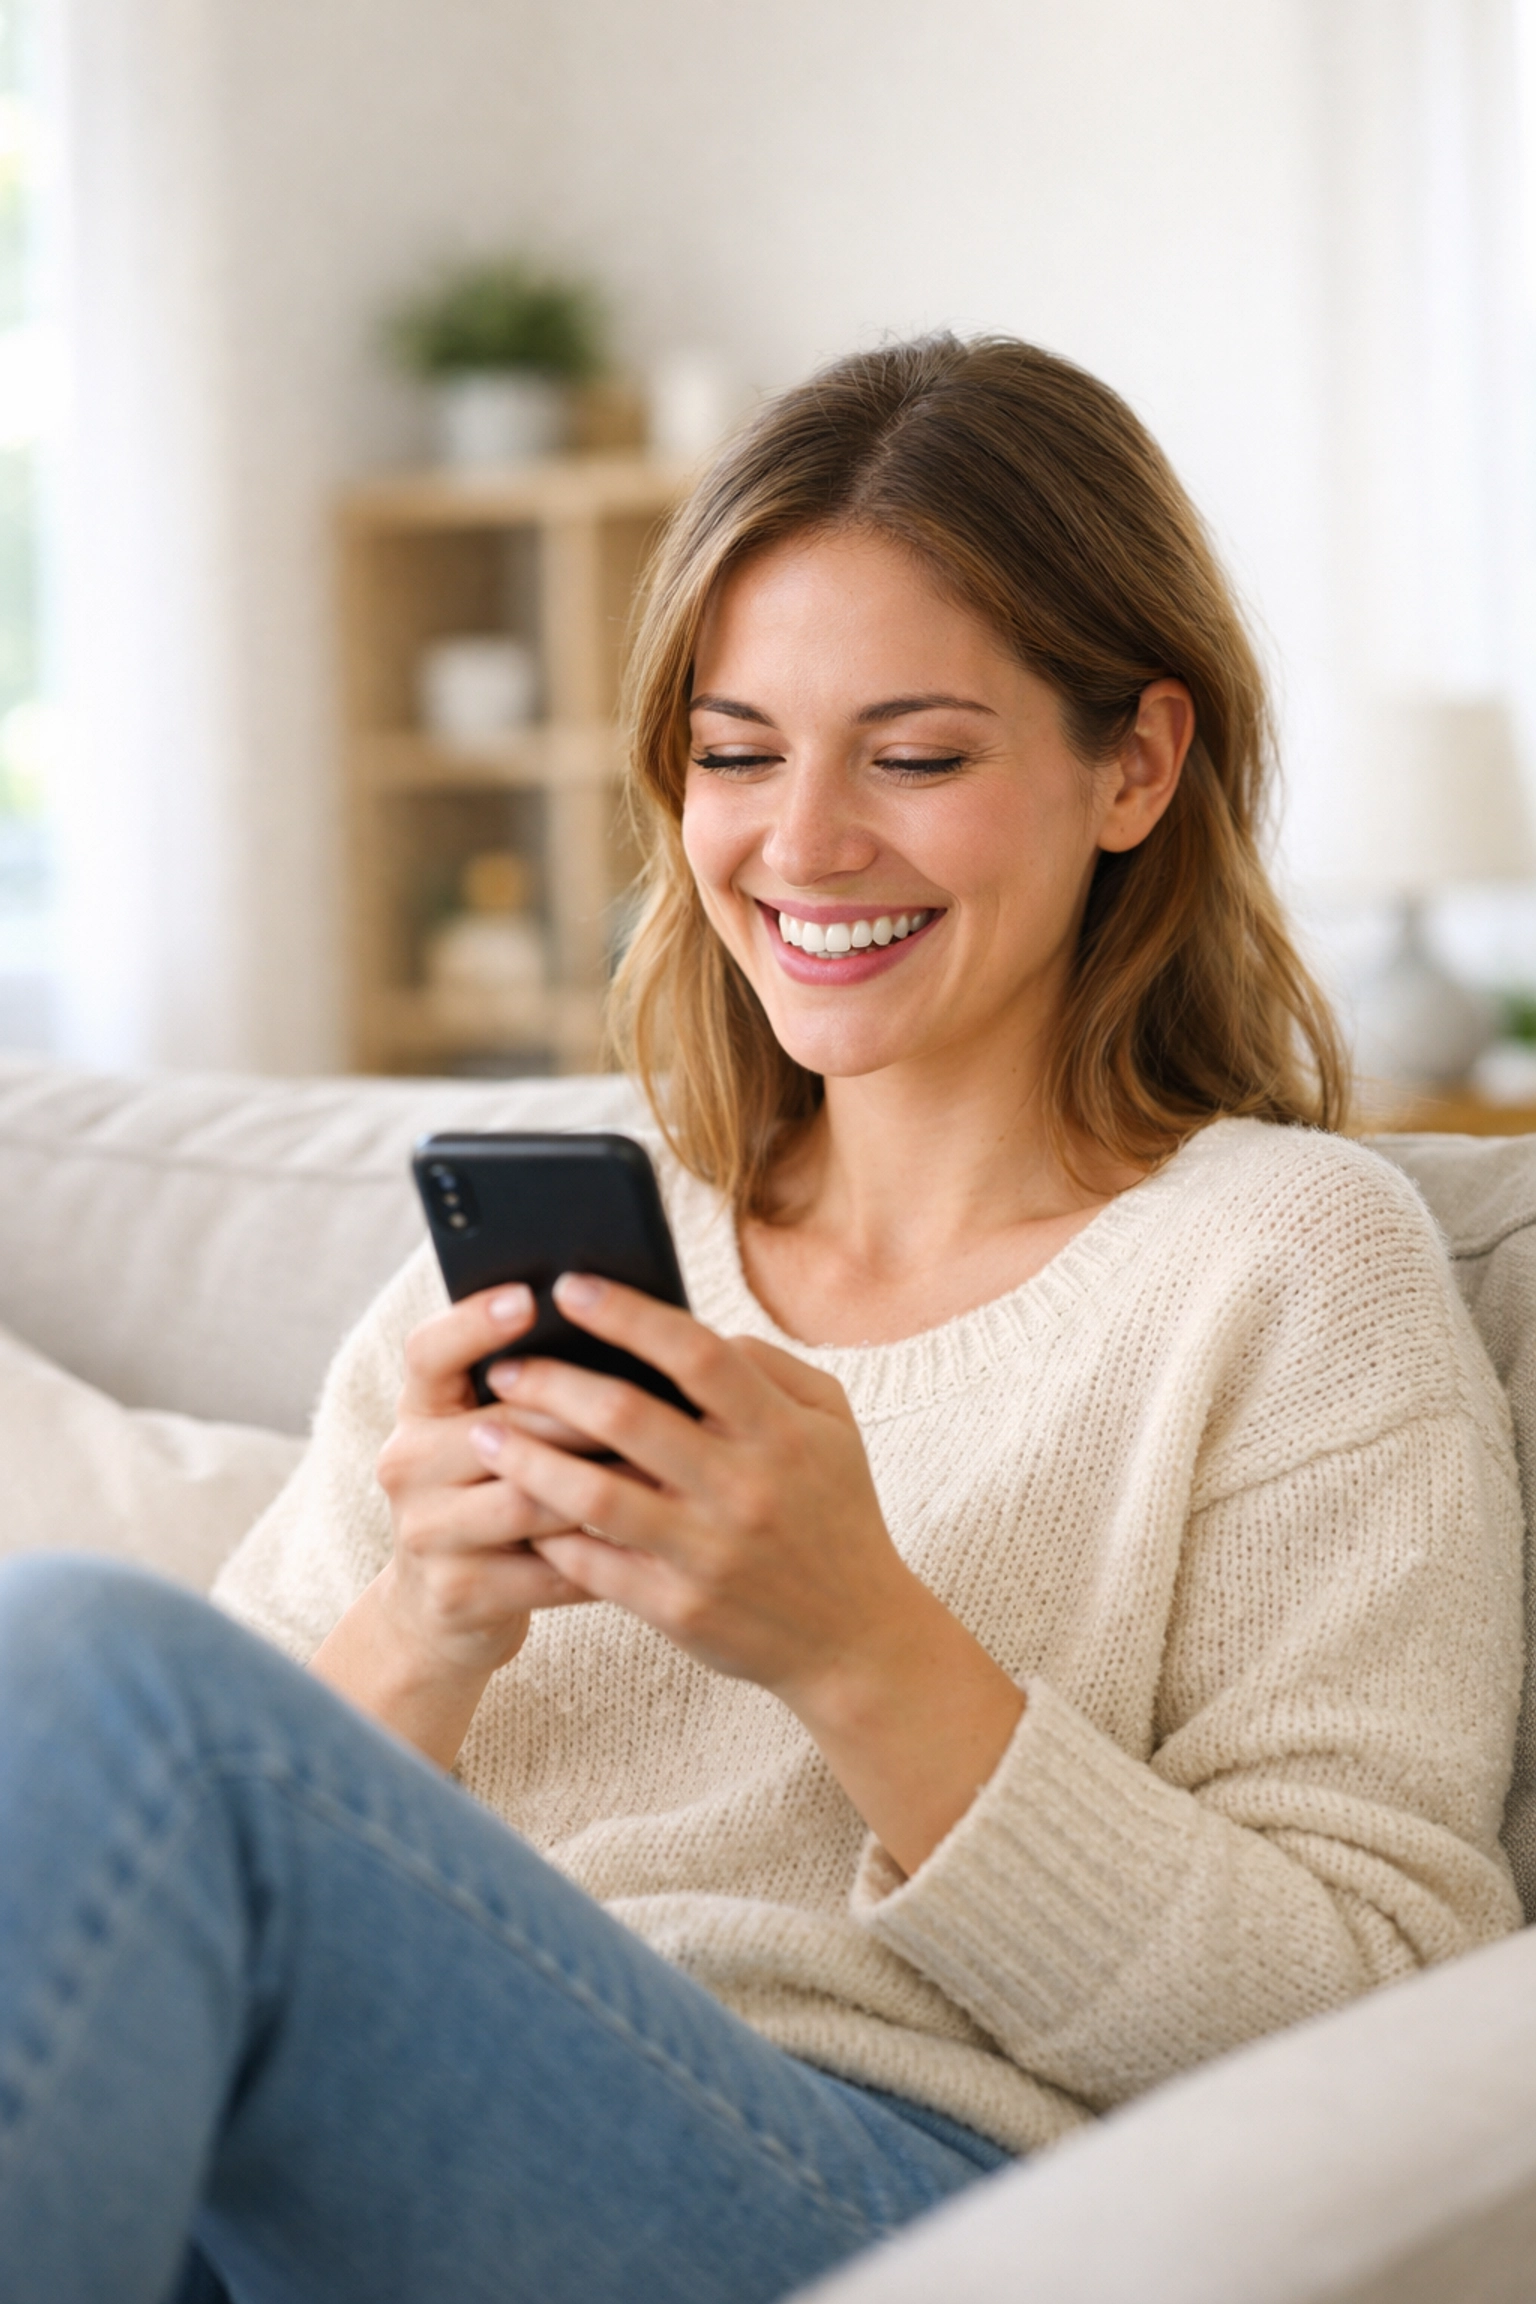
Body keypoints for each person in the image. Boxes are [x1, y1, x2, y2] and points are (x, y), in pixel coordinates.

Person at [0, 334, 1524, 2304]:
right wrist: (432, 1626)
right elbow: (168, 1887)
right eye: (737, 753)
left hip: (896, 2200)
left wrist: (860, 1644)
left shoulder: (1291, 1269)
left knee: (83, 1660)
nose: (801, 847)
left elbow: (1393, 2031)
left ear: (1134, 763)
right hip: (365, 2172)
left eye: (916, 755)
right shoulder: (535, 1273)